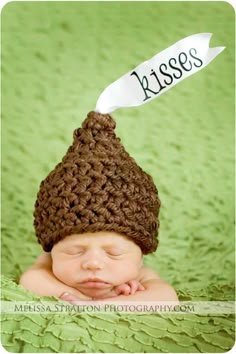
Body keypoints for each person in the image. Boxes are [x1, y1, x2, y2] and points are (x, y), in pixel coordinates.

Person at [19, 111, 178, 303]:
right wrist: (81, 299)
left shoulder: (141, 274)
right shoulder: (48, 262)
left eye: (114, 253)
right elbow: (31, 280)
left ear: (141, 253)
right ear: (51, 248)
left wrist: (103, 305)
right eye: (74, 251)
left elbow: (166, 298)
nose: (93, 264)